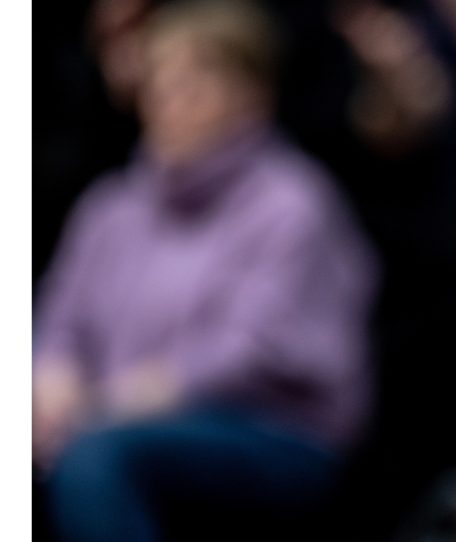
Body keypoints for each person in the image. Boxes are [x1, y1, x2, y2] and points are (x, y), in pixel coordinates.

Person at [32, 1, 379, 539]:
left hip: (271, 435)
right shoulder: (111, 207)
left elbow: (259, 348)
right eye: (160, 84)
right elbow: (60, 320)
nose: (172, 103)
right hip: (110, 421)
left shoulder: (293, 201)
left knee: (98, 457)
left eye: (195, 83)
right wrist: (52, 375)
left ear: (251, 97)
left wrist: (143, 394)